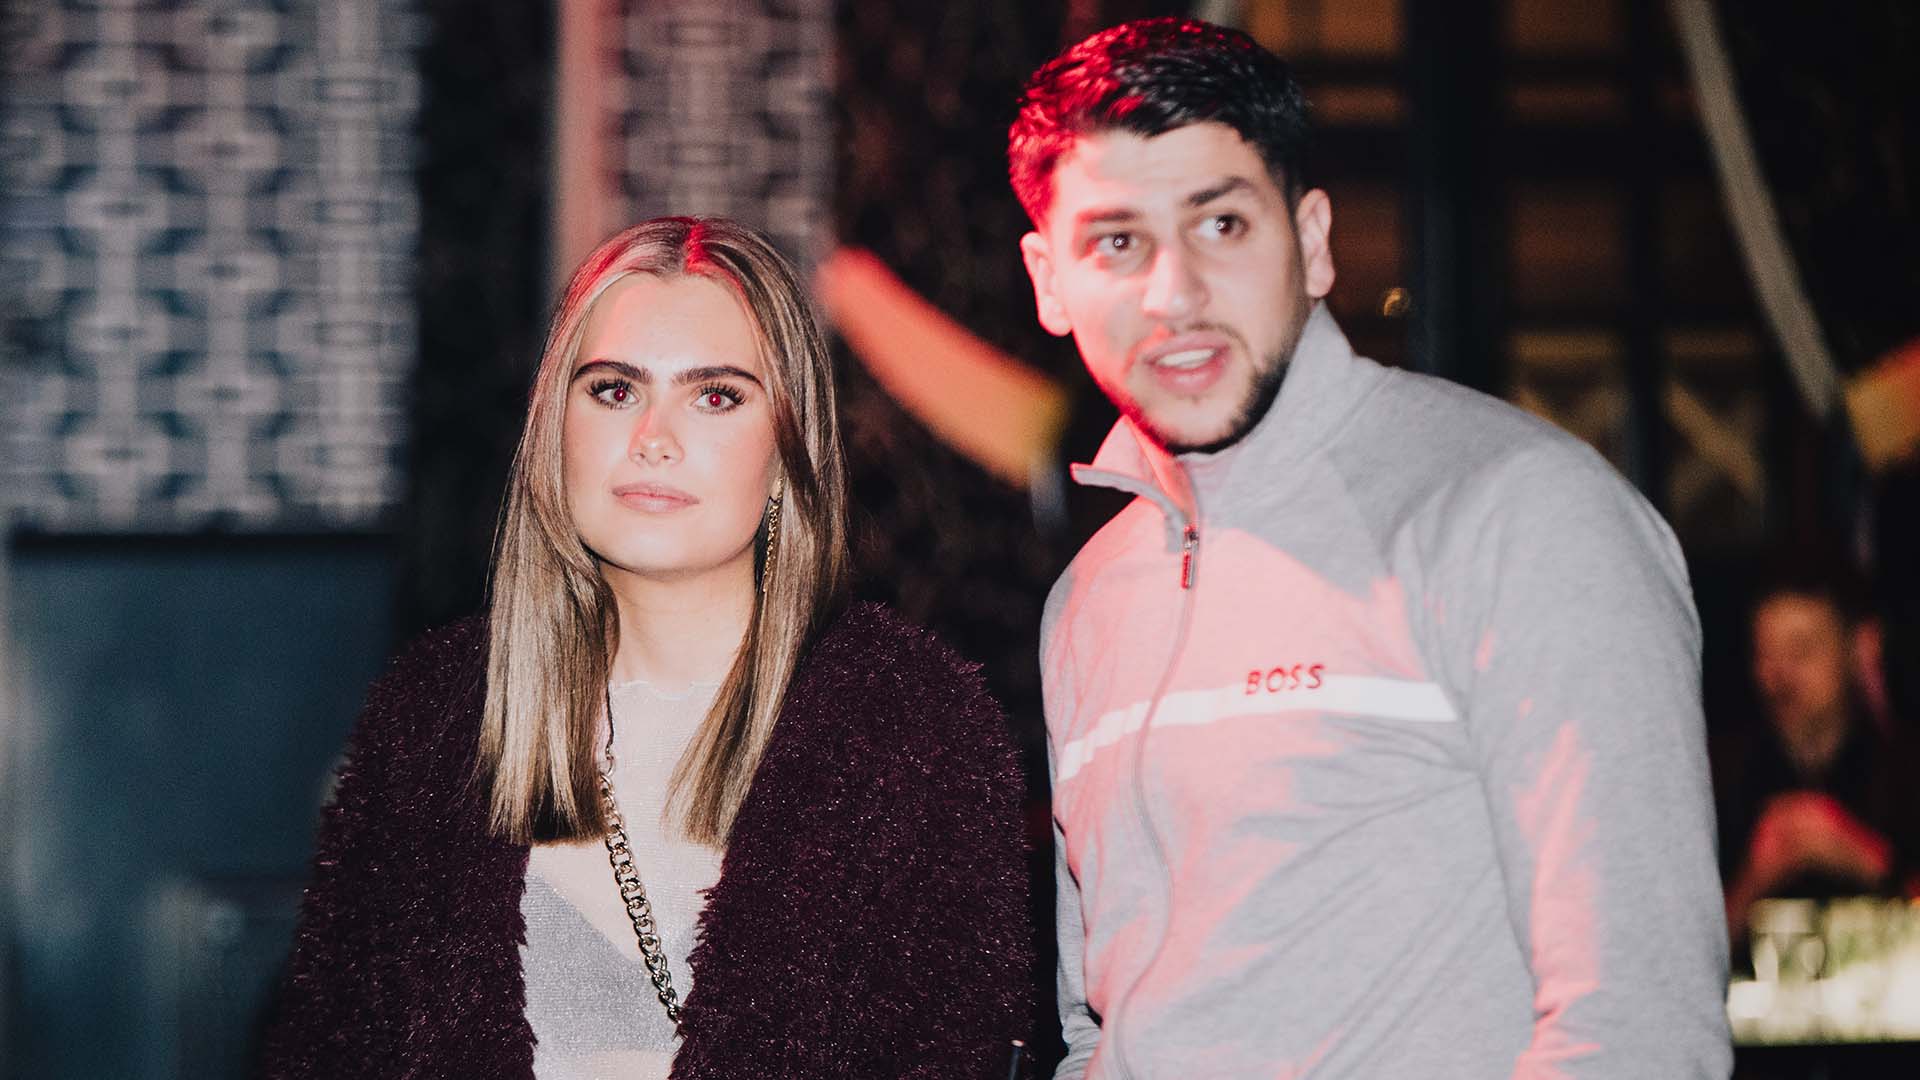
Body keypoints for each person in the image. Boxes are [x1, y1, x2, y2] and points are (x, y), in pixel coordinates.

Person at [1010, 18, 1729, 1078]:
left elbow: (1637, 1031)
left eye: (1221, 224)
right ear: (1049, 282)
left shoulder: (1523, 513)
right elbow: (1102, 1030)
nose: (1174, 293)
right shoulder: (1091, 599)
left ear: (1312, 241)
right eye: (1118, 242)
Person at [259, 217, 1031, 1079]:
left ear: (788, 449)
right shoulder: (435, 718)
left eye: (716, 396)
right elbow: (324, 1053)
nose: (653, 438)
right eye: (615, 390)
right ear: (556, 429)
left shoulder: (910, 728)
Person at [1717, 564, 1920, 945]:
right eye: (1765, 654)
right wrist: (1755, 877)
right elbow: (1681, 954)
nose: (1779, 676)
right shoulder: (1723, 780)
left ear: (1860, 646)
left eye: (1801, 650)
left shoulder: (1904, 773)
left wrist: (1862, 855)